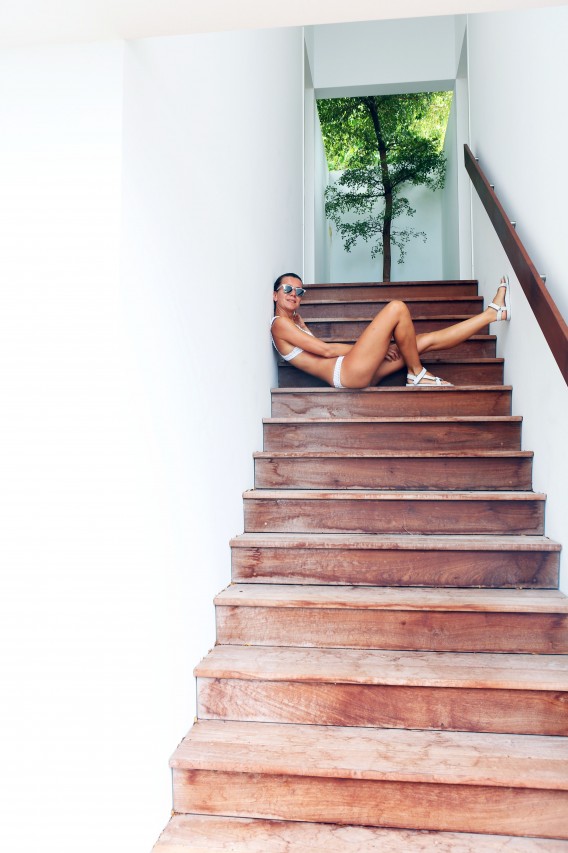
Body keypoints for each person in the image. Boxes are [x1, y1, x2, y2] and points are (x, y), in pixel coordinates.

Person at [270, 272, 511, 388]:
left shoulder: (293, 323)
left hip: (354, 371)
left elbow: (315, 352)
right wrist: (377, 349)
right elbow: (325, 351)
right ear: (275, 295)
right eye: (287, 289)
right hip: (346, 372)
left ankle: (492, 314)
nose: (294, 294)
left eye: (299, 291)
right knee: (396, 308)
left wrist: (303, 326)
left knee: (422, 341)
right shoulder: (279, 324)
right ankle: (416, 374)